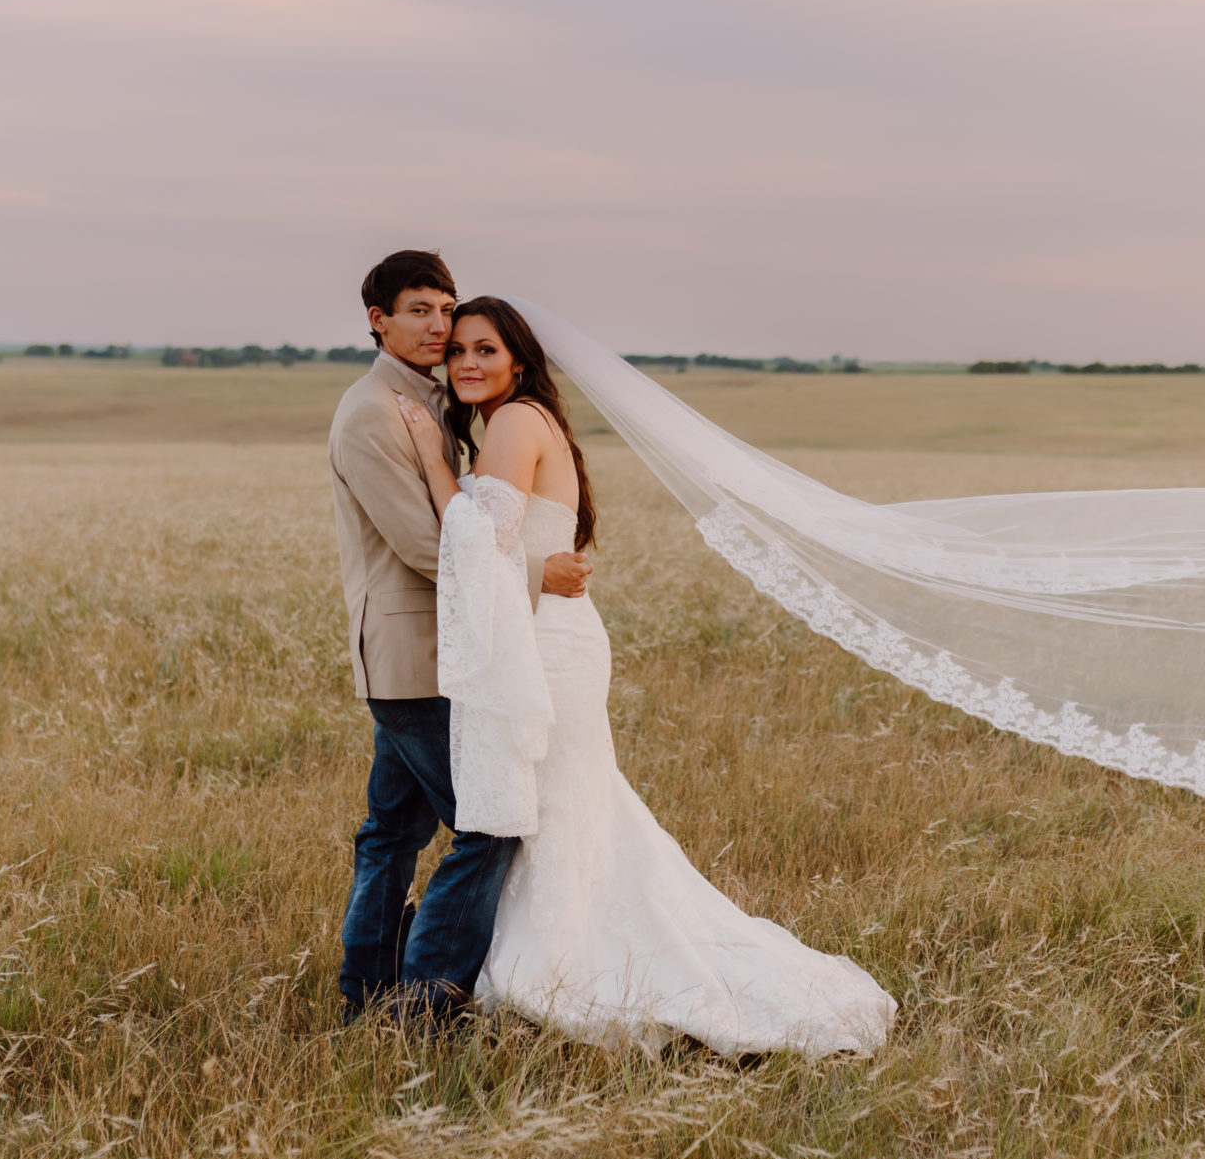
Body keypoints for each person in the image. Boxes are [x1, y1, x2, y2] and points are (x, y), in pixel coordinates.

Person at [396, 297, 897, 1055]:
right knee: (565, 808)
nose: (466, 361)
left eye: (485, 350)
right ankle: (531, 957)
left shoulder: (512, 422)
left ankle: (555, 969)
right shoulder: (522, 420)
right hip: (548, 636)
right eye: (457, 349)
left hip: (549, 649)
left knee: (545, 807)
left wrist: (435, 465)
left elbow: (478, 539)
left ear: (519, 361)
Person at [328, 251, 590, 1021]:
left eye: (445, 308)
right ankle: (423, 1006)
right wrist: (542, 572)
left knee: (392, 834)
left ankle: (365, 996)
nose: (438, 325)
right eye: (419, 309)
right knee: (488, 824)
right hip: (416, 659)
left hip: (451, 651)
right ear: (378, 319)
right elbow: (424, 546)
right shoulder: (374, 411)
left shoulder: (434, 402)